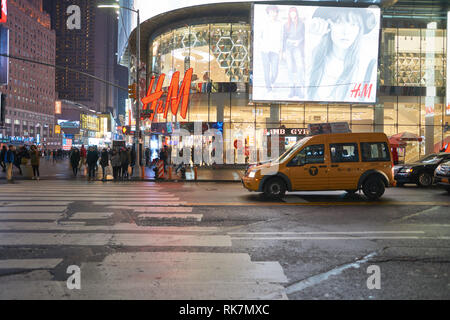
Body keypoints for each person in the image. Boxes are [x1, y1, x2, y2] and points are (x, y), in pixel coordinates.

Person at [308, 7, 377, 102]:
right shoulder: (313, 58)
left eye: (353, 24)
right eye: (339, 22)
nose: (346, 32)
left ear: (359, 30)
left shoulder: (368, 66)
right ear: (328, 25)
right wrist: (311, 32)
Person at [282, 7, 306, 98]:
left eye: (294, 12)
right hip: (288, 47)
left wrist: (298, 42)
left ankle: (300, 89)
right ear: (289, 14)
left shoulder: (301, 24)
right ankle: (291, 89)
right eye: (291, 13)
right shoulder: (286, 24)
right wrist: (283, 51)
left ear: (296, 13)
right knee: (290, 68)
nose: (293, 14)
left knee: (300, 67)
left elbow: (304, 36)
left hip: (297, 47)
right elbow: (284, 38)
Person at [260, 5, 283, 94]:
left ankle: (272, 81)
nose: (273, 13)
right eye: (271, 11)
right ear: (268, 13)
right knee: (266, 70)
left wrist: (281, 51)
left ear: (277, 13)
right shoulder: (264, 23)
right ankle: (268, 88)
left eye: (274, 11)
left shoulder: (280, 24)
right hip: (265, 50)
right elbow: (260, 36)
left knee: (275, 71)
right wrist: (262, 46)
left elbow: (281, 38)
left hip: (275, 50)